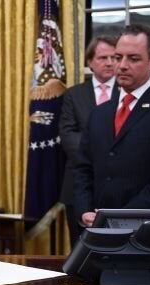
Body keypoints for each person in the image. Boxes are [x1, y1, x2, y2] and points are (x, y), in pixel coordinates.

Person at [74, 24, 150, 227]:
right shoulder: (99, 113)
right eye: (117, 57)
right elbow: (83, 169)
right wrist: (84, 210)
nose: (122, 65)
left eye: (133, 58)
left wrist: (121, 217)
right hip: (97, 230)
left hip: (149, 231)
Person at [59, 35, 118, 244]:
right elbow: (68, 136)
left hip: (117, 186)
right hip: (78, 186)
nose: (110, 63)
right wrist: (106, 154)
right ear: (90, 62)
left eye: (114, 57)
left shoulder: (126, 94)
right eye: (103, 57)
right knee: (80, 250)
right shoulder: (74, 95)